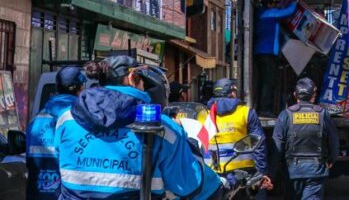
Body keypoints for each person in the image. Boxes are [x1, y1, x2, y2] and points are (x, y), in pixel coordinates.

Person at [53, 56, 222, 199]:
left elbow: (58, 168)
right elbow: (190, 186)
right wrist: (192, 149)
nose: (146, 90)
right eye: (144, 83)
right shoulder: (162, 127)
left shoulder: (67, 119)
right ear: (133, 77)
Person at [272, 78, 339, 200]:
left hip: (292, 171)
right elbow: (333, 141)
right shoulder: (323, 114)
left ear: (294, 95)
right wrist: (332, 159)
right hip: (316, 170)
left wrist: (272, 172)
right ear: (314, 95)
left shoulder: (285, 115)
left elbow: (277, 145)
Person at [207, 77, 272, 199]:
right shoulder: (246, 112)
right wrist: (262, 172)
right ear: (232, 93)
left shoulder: (205, 115)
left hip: (213, 177)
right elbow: (259, 143)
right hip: (243, 176)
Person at [27, 66, 85, 200]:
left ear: (57, 88)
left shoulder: (36, 121)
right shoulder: (82, 120)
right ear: (80, 89)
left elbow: (30, 163)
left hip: (38, 194)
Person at [254, 0, 298, 116]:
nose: (276, 6)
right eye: (274, 4)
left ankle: (263, 108)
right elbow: (289, 11)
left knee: (265, 82)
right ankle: (264, 109)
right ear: (269, 5)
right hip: (267, 53)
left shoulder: (265, 16)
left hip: (263, 53)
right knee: (268, 83)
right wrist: (296, 1)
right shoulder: (269, 13)